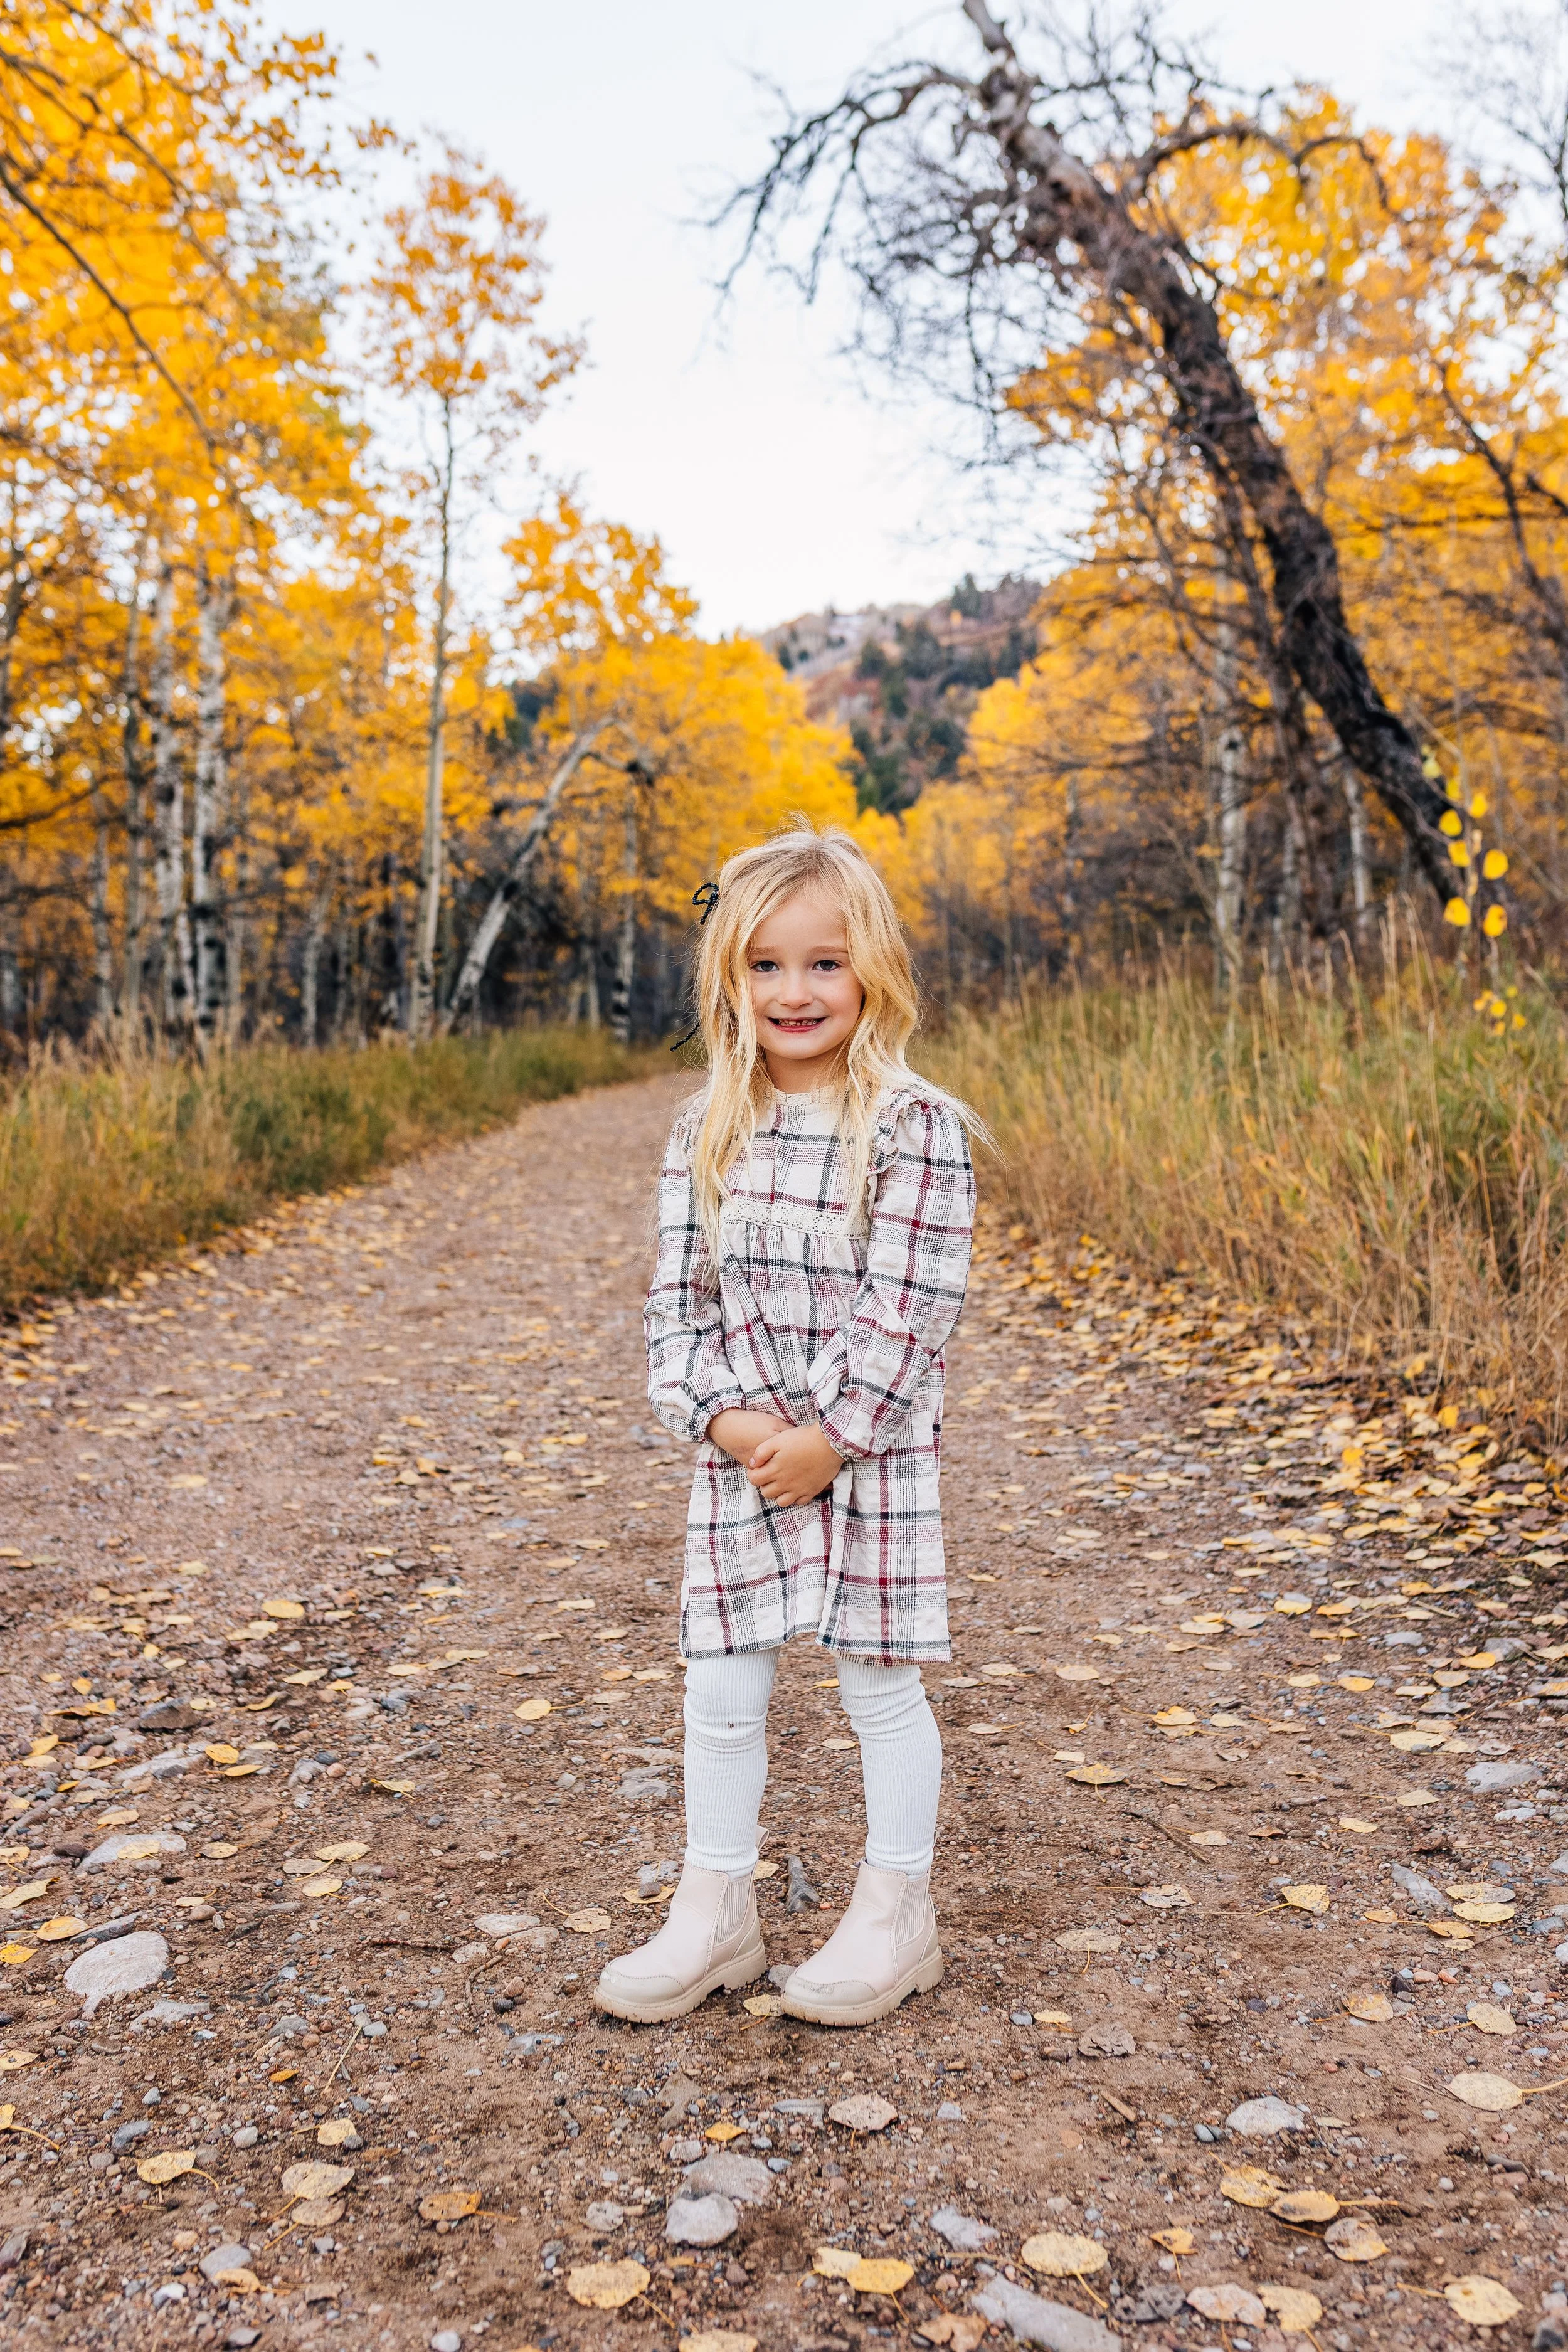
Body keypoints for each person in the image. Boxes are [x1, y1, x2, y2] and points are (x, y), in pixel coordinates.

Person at [593, 824, 977, 2028]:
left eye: (824, 962)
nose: (794, 991)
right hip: (746, 1454)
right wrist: (723, 1422)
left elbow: (911, 1307)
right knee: (721, 1676)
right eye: (765, 965)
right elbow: (674, 1305)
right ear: (730, 979)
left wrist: (835, 1437)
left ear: (871, 970)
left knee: (878, 1676)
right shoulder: (706, 1127)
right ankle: (716, 1908)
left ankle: (894, 1911)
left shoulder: (914, 1129)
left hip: (864, 1459)